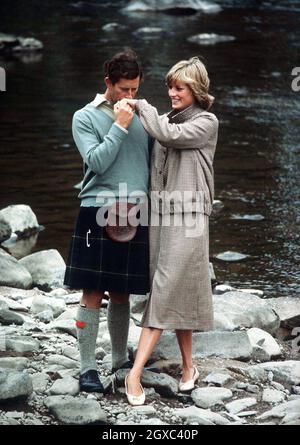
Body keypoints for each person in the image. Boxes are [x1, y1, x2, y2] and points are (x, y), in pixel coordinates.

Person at [121, 56, 219, 405]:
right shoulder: (163, 119)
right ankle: (189, 368)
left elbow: (168, 136)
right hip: (161, 215)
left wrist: (141, 104)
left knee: (164, 287)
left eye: (179, 87)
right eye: (170, 87)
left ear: (196, 89)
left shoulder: (206, 122)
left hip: (191, 217)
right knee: (179, 287)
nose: (172, 92)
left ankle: (134, 375)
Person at [63, 49, 151, 393]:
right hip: (96, 208)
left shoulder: (144, 115)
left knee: (122, 292)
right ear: (108, 84)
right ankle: (87, 368)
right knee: (92, 291)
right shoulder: (83, 117)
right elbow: (97, 163)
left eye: (135, 89)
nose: (130, 97)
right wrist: (119, 125)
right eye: (124, 89)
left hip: (136, 208)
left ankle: (119, 362)